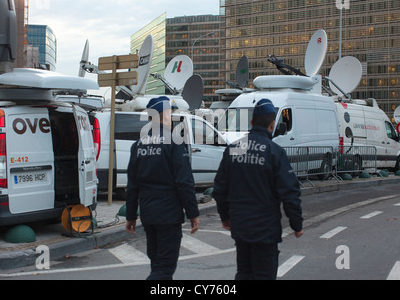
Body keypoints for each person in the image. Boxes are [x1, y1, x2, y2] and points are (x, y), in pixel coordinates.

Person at [213, 98, 303, 280]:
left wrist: (226, 217)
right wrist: (296, 223)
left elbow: (220, 188)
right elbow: (289, 192)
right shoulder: (273, 151)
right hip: (265, 229)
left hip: (241, 227)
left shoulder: (236, 148)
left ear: (252, 122)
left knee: (244, 272)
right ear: (272, 125)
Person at [125, 96, 200, 280]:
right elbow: (184, 182)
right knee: (164, 268)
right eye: (170, 113)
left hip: (149, 214)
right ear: (165, 114)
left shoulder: (138, 145)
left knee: (157, 263)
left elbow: (132, 185)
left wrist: (131, 216)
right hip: (168, 215)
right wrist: (193, 213)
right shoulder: (174, 142)